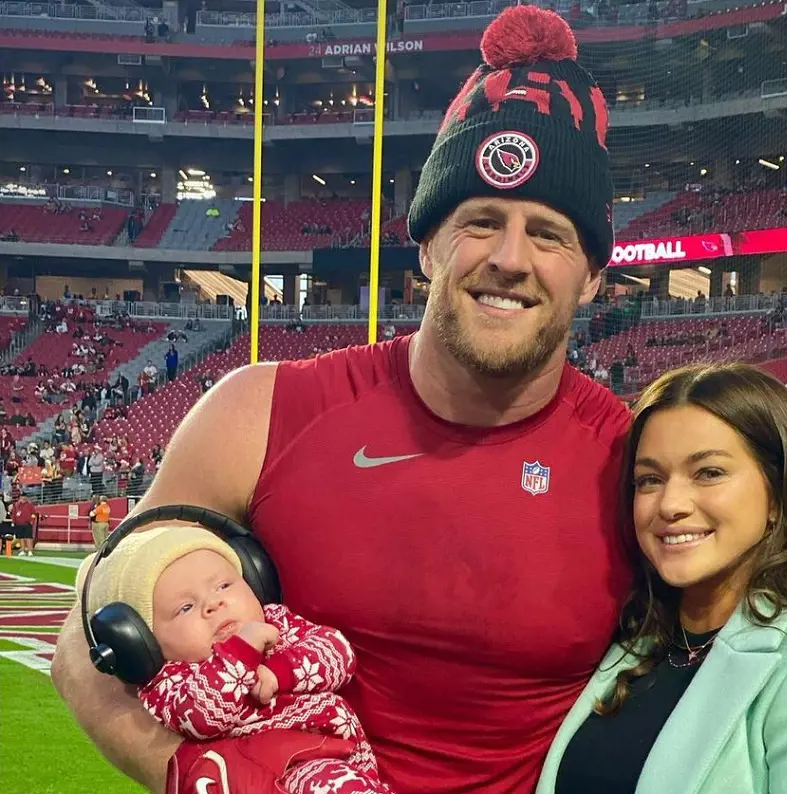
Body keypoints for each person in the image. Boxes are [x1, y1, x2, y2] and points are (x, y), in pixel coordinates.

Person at [51, 7, 629, 794]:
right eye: (480, 221)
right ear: (426, 245)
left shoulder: (634, 463)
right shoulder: (260, 413)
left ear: (594, 272)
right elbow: (88, 631)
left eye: (551, 234)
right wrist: (218, 780)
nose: (508, 259)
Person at [538, 363, 787, 794]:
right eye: (650, 479)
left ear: (778, 493)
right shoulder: (637, 641)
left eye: (709, 473)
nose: (670, 504)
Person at [75, 526, 390, 794]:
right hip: (286, 772)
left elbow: (338, 653)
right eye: (185, 608)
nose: (214, 604)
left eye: (224, 585)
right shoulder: (170, 680)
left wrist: (281, 672)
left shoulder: (277, 622)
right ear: (143, 643)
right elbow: (203, 718)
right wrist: (242, 651)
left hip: (342, 754)